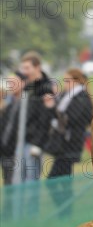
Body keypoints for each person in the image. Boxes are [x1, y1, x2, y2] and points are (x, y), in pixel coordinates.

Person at [42, 68, 93, 178]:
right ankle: (67, 195)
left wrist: (53, 108)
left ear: (77, 81)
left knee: (52, 180)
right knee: (64, 179)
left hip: (71, 142)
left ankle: (67, 196)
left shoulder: (81, 97)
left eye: (67, 81)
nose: (65, 84)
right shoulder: (66, 96)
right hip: (62, 143)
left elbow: (71, 118)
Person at [18, 51, 54, 182]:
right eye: (23, 68)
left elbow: (46, 119)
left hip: (35, 142)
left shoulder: (46, 88)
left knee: (31, 180)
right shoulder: (27, 86)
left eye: (27, 68)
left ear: (37, 67)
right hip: (23, 138)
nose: (24, 71)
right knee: (20, 178)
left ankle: (32, 204)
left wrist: (38, 144)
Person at [0, 72, 26, 185]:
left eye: (13, 82)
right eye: (9, 83)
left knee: (17, 181)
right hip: (5, 149)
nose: (10, 85)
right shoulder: (9, 104)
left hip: (18, 149)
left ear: (22, 83)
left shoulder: (26, 102)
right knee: (8, 181)